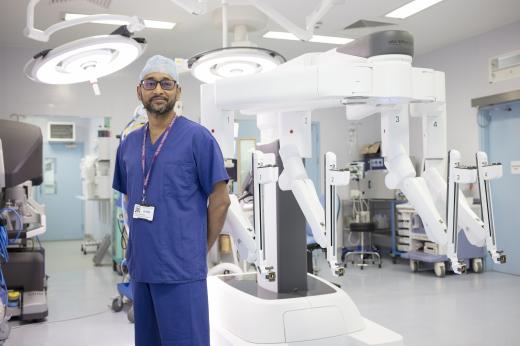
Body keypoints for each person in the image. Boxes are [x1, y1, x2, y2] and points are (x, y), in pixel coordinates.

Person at [113, 55, 231, 346]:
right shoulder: (128, 143)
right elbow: (128, 195)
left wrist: (198, 248)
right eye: (150, 83)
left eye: (166, 83)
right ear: (139, 91)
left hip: (181, 270)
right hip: (141, 268)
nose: (158, 90)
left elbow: (220, 200)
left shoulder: (198, 138)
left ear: (178, 91)